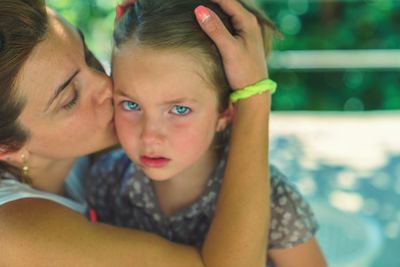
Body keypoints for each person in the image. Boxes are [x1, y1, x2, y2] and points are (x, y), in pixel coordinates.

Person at [0, 0, 273, 266]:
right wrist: (253, 95)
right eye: (71, 97)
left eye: (87, 55)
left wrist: (147, 29)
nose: (108, 85)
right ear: (7, 147)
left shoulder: (85, 157)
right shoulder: (10, 233)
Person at [85, 0, 327, 266]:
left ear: (225, 112)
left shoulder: (275, 203)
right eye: (131, 105)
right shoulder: (105, 181)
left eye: (179, 109)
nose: (150, 136)